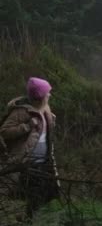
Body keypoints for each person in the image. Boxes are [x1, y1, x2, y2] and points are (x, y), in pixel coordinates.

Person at [0, 77, 60, 218]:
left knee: (45, 195)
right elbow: (4, 132)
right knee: (25, 195)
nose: (50, 95)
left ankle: (29, 219)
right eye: (47, 93)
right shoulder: (20, 112)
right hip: (26, 163)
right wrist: (26, 126)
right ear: (40, 97)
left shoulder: (46, 110)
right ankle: (23, 222)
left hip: (44, 162)